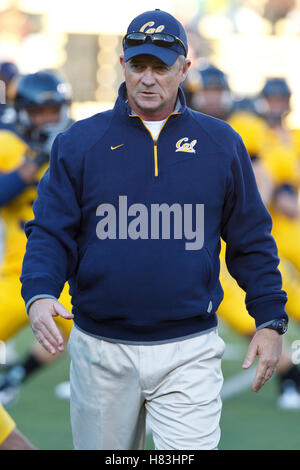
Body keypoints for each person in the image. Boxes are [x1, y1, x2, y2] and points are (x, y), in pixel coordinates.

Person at [21, 9, 288, 450]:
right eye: (138, 65)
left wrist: (270, 318)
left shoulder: (221, 143)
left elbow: (251, 238)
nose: (148, 78)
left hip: (189, 348)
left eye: (161, 67)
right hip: (101, 347)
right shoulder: (78, 142)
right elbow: (51, 230)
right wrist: (40, 291)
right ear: (123, 65)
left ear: (184, 69)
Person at [184, 63, 300, 409]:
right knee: (234, 314)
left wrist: (254, 204)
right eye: (207, 90)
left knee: (276, 299)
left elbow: (262, 176)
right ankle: (289, 375)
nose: (212, 97)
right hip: (194, 238)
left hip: (239, 234)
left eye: (217, 90)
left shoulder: (244, 128)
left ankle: (289, 377)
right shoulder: (176, 124)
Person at [0, 70, 74, 406]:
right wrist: (32, 164)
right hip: (15, 273)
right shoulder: (7, 145)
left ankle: (17, 375)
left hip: (62, 272)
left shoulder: (74, 146)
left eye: (52, 111)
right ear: (21, 112)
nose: (47, 120)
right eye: (38, 112)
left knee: (75, 325)